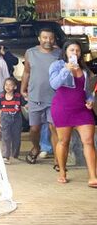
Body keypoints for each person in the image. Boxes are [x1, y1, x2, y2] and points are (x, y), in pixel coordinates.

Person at [47, 40, 97, 187]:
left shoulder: (85, 69)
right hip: (63, 108)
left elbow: (88, 91)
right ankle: (62, 171)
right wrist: (66, 69)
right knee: (63, 141)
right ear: (65, 52)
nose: (75, 53)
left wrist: (90, 100)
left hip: (82, 109)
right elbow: (54, 84)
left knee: (88, 141)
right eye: (71, 50)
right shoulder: (57, 66)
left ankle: (93, 176)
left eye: (77, 51)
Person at [21, 28, 62, 164]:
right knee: (34, 129)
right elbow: (27, 71)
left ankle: (58, 160)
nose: (48, 41)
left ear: (54, 39)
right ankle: (35, 147)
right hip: (35, 97)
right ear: (39, 38)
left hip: (54, 98)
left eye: (50, 38)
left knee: (54, 127)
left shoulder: (59, 53)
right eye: (45, 38)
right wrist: (23, 89)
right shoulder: (30, 53)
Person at [0, 78, 24, 162]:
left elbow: (25, 106)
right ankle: (5, 155)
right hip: (5, 118)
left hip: (16, 118)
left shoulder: (18, 97)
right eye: (6, 85)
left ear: (15, 87)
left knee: (16, 137)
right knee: (5, 137)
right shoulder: (1, 97)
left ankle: (15, 154)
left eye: (10, 85)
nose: (8, 87)